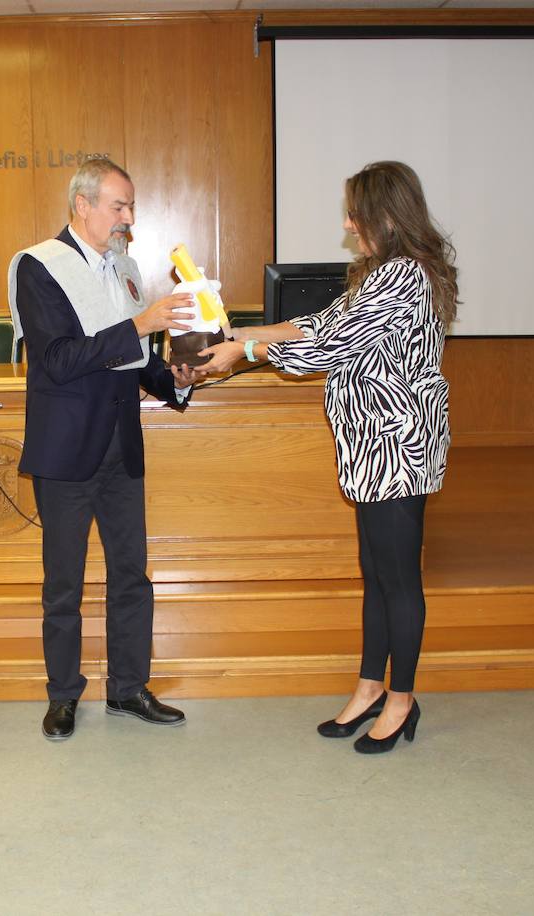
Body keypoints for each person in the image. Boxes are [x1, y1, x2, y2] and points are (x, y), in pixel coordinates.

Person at [200, 161, 457, 754]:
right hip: (374, 445)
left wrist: (247, 352)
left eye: (354, 212)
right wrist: (241, 335)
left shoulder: (404, 277)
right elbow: (319, 321)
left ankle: (402, 699)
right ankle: (370, 687)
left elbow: (330, 344)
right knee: (377, 576)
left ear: (386, 215)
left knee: (399, 580)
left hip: (399, 446)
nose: (346, 222)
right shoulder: (382, 274)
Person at [7, 158, 200, 741]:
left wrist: (175, 382)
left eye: (132, 207)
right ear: (82, 205)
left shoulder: (128, 269)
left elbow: (133, 365)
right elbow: (62, 359)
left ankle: (128, 688)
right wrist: (141, 324)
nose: (128, 219)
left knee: (131, 576)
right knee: (63, 583)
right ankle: (63, 695)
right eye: (119, 206)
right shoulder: (38, 267)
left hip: (123, 450)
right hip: (66, 453)